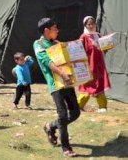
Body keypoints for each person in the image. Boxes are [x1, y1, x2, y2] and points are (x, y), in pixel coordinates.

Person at [33, 18, 80, 157]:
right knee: (63, 115)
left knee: (75, 113)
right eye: (55, 28)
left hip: (67, 82)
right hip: (56, 85)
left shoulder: (57, 43)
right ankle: (66, 147)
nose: (57, 30)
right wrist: (62, 73)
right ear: (46, 30)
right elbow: (47, 61)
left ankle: (50, 126)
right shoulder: (39, 44)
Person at [77, 16, 111, 113]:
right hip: (88, 66)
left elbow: (103, 49)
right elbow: (78, 51)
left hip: (99, 65)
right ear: (85, 25)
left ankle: (102, 106)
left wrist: (107, 47)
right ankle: (78, 106)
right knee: (87, 86)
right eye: (89, 24)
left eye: (93, 23)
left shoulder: (99, 36)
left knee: (99, 85)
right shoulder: (83, 37)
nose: (91, 26)